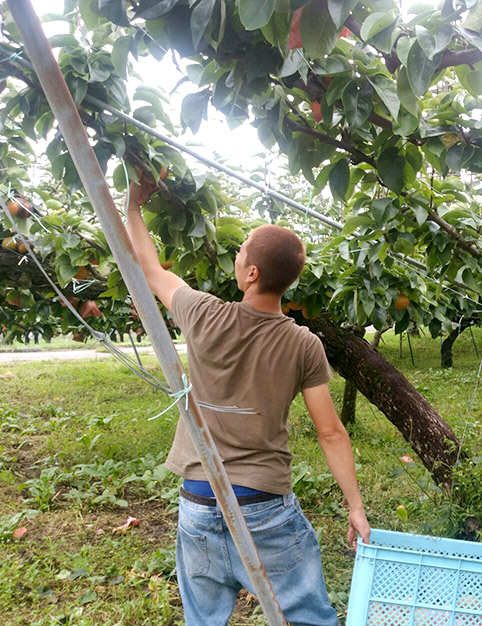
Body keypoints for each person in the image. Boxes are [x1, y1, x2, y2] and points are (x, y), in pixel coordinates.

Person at [123, 168, 370, 626]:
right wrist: (355, 507)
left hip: (198, 500)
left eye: (240, 253)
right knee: (310, 618)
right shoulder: (303, 344)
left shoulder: (202, 314)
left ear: (251, 273)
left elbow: (149, 266)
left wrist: (134, 205)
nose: (235, 257)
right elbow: (330, 432)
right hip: (263, 507)